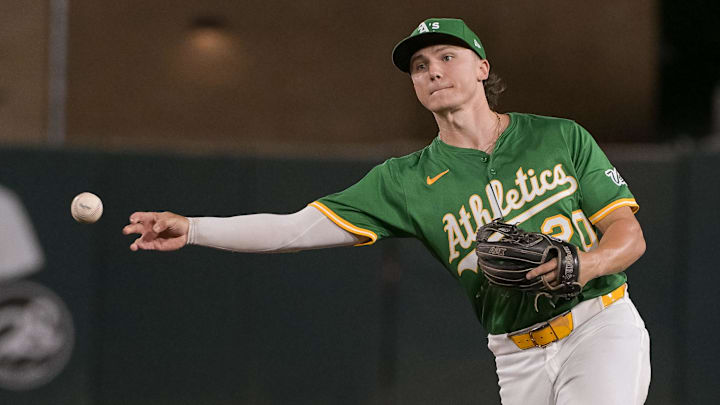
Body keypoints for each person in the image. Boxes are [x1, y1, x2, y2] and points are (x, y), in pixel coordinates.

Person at [123, 18, 650, 405]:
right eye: (420, 66)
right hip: (515, 356)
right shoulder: (403, 181)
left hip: (598, 325)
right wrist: (192, 228)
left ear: (482, 67)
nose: (432, 71)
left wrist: (585, 264)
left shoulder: (558, 136)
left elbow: (628, 233)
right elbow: (291, 230)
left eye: (447, 56)